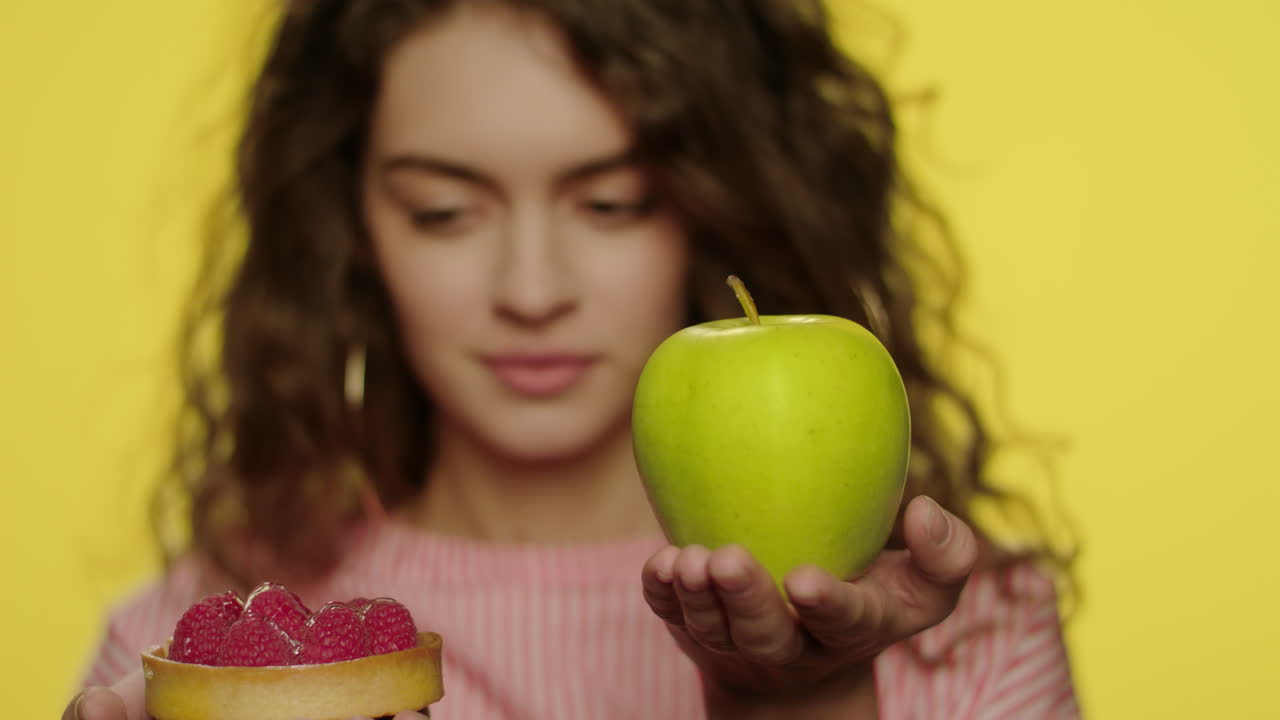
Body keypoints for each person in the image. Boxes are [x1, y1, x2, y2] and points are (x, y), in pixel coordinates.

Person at [65, 1, 1079, 718]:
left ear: (711, 207)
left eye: (610, 204)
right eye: (445, 212)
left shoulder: (964, 636)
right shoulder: (194, 655)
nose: (533, 288)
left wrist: (805, 697)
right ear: (352, 227)